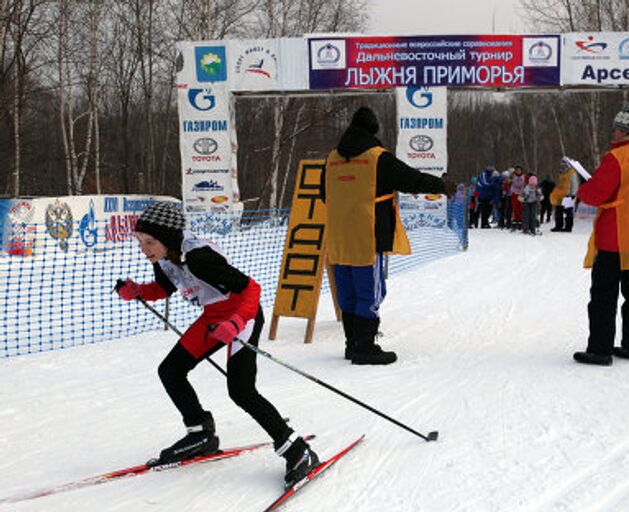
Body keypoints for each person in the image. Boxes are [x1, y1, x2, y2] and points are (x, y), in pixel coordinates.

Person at [116, 201, 318, 488]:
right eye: (140, 242)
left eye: (150, 242)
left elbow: (251, 289)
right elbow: (165, 287)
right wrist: (138, 291)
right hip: (213, 318)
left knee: (241, 391)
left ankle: (298, 451)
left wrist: (236, 323)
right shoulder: (164, 258)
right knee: (171, 371)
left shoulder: (199, 257)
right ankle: (200, 434)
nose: (144, 249)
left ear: (168, 237)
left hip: (242, 315)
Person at [322, 106, 448, 365]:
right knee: (370, 291)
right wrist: (444, 185)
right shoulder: (377, 157)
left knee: (347, 292)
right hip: (368, 236)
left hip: (338, 236)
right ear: (373, 130)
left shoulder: (332, 158)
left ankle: (352, 343)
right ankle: (365, 347)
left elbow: (323, 194)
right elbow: (412, 180)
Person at [572, 99, 629, 366]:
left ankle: (599, 349)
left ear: (626, 130)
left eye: (616, 129)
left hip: (615, 234)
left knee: (604, 294)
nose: (613, 133)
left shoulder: (618, 158)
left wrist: (584, 186)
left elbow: (594, 194)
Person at [550, 159, 580, 232]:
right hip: (560, 195)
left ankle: (568, 227)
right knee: (558, 211)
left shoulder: (571, 172)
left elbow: (574, 184)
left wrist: (573, 194)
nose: (563, 166)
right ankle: (558, 226)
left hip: (568, 195)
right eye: (562, 165)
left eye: (564, 164)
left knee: (568, 211)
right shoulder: (561, 172)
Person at [508, 166, 526, 230]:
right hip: (514, 193)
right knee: (515, 207)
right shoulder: (513, 176)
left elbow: (527, 183)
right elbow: (508, 182)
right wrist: (510, 177)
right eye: (517, 170)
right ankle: (515, 220)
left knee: (521, 208)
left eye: (519, 170)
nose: (518, 171)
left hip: (521, 194)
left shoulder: (524, 176)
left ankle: (520, 220)